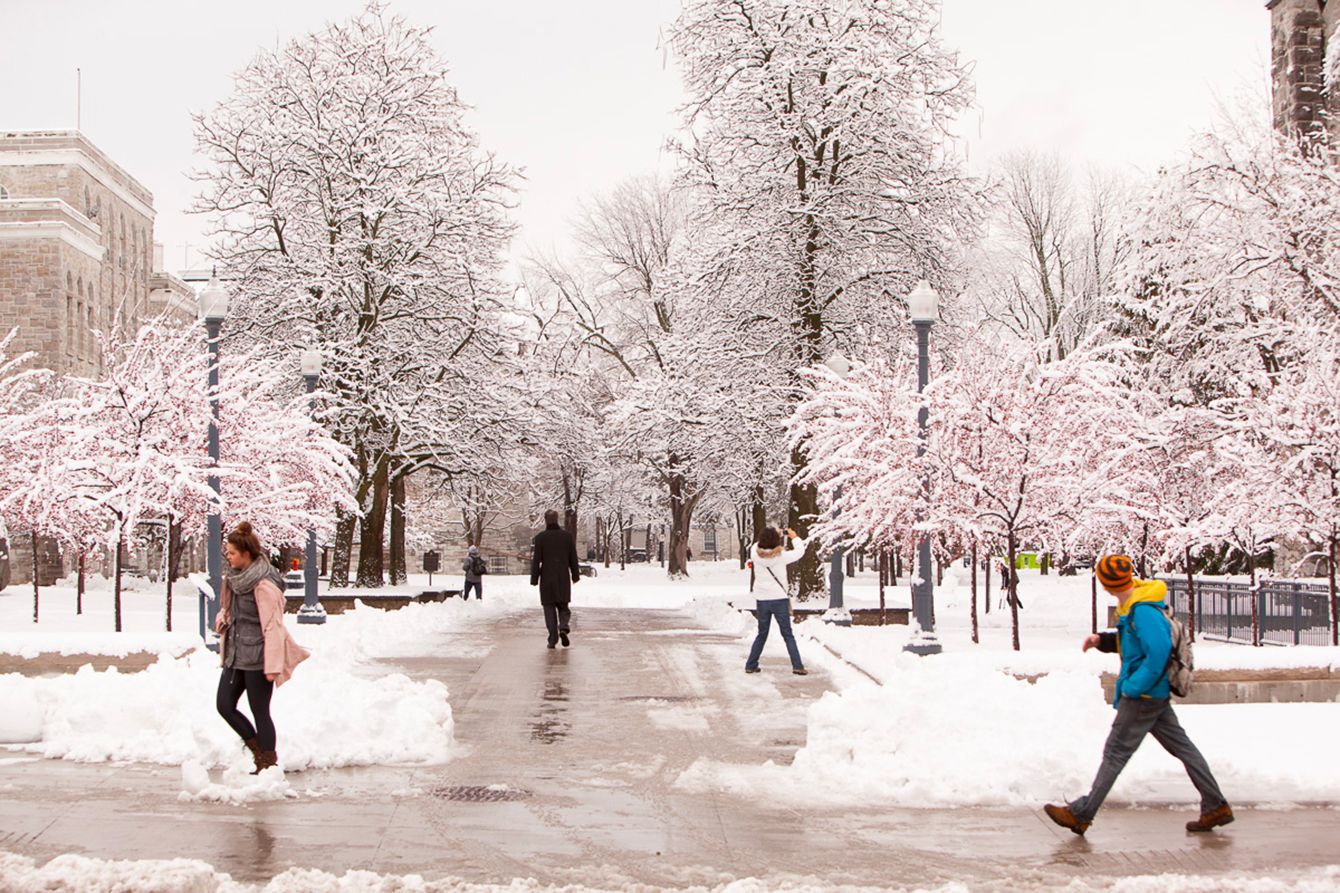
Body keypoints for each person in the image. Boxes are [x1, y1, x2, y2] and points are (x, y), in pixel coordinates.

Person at [1045, 554, 1232, 836]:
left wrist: (1134, 687)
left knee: (1115, 753)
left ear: (1107, 583)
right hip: (1152, 696)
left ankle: (1082, 814)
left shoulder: (1142, 609)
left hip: (1143, 697)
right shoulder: (1134, 604)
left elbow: (1157, 652)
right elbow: (1134, 643)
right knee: (1183, 748)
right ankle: (1215, 805)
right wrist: (1102, 641)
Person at [214, 522, 310, 774]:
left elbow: (273, 627)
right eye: (227, 552)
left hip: (258, 657)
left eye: (232, 552)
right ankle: (257, 747)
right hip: (235, 654)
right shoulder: (234, 579)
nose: (228, 556)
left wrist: (273, 665)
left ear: (246, 554)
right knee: (224, 704)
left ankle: (267, 762)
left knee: (260, 711)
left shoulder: (264, 584)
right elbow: (228, 608)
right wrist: (223, 618)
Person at [744, 525, 808, 676]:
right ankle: (797, 665)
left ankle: (751, 664)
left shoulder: (754, 553)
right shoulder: (781, 556)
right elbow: (800, 552)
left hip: (762, 599)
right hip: (779, 599)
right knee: (787, 634)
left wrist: (772, 534)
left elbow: (756, 544)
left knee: (762, 633)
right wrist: (794, 537)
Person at [530, 509, 580, 648]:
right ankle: (563, 627)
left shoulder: (540, 538)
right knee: (563, 607)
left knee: (549, 609)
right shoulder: (567, 537)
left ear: (546, 520)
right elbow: (573, 558)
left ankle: (552, 639)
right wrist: (575, 575)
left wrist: (534, 578)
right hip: (563, 577)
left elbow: (536, 560)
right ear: (557, 519)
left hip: (546, 579)